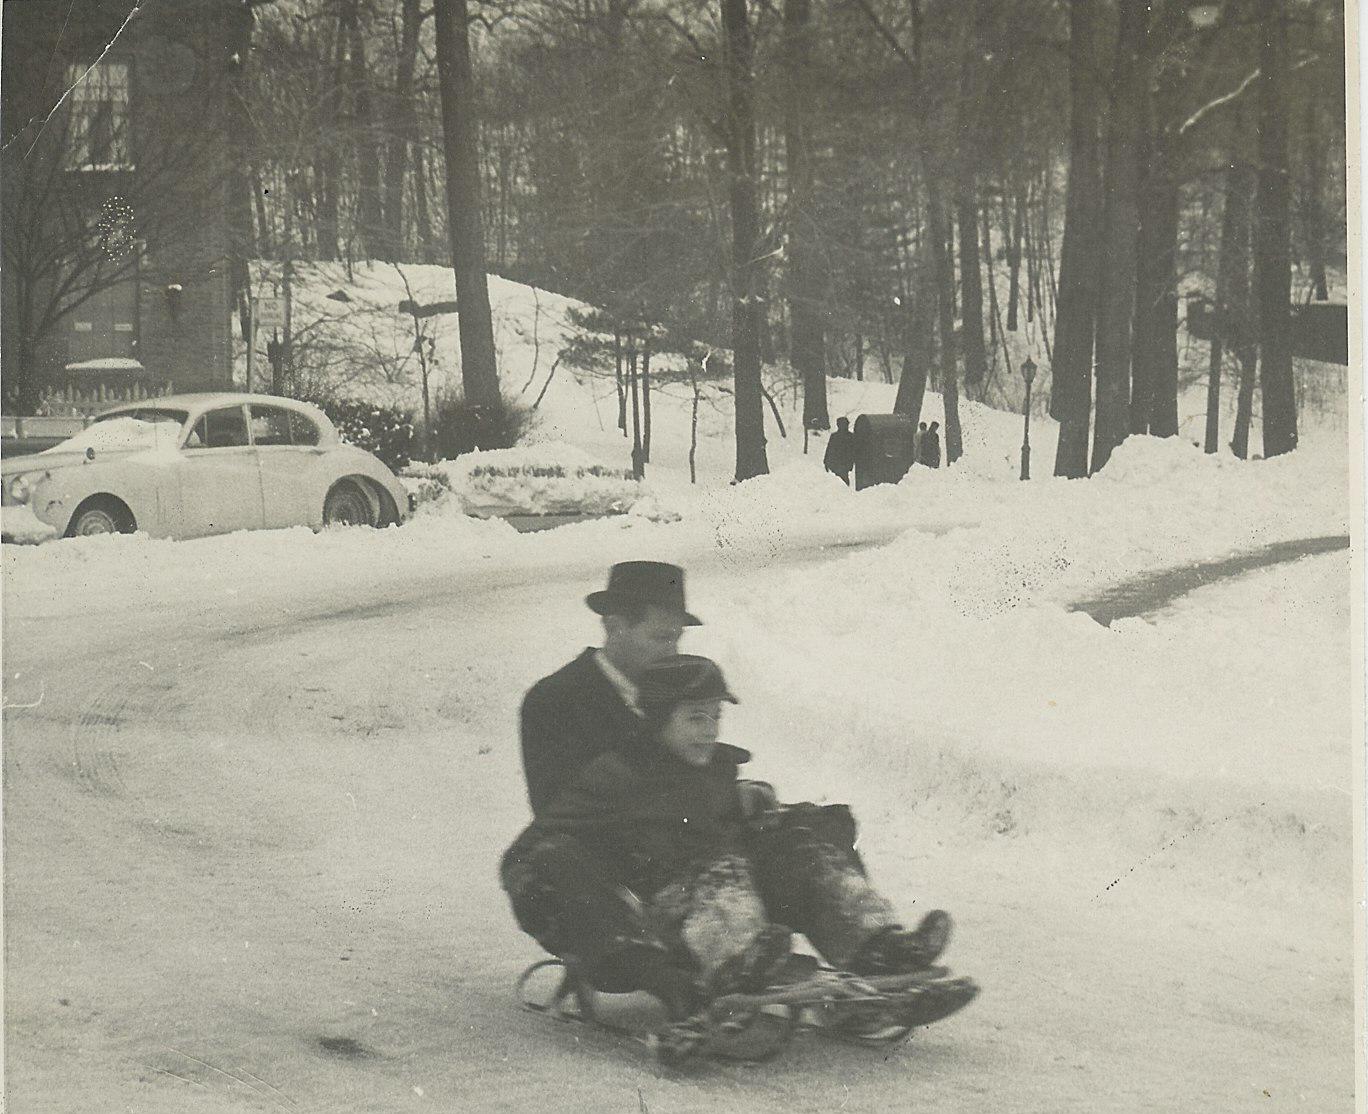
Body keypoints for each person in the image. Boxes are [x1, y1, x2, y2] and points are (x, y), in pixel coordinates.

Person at [500, 562, 952, 1019]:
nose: (671, 650)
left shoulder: (680, 687)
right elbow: (560, 809)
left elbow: (696, 768)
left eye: (677, 638)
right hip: (621, 866)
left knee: (801, 834)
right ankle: (691, 970)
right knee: (584, 859)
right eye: (660, 638)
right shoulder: (556, 700)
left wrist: (739, 796)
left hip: (694, 848)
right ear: (614, 626)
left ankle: (873, 948)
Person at [822, 417, 855, 485]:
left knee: (840, 481)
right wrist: (826, 461)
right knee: (839, 482)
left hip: (841, 464)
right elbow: (830, 449)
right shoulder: (849, 436)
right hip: (838, 464)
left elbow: (854, 451)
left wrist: (826, 462)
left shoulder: (849, 436)